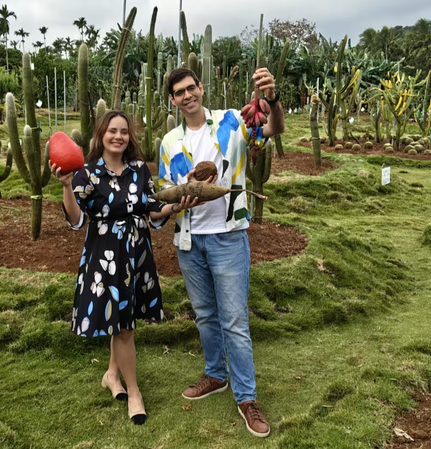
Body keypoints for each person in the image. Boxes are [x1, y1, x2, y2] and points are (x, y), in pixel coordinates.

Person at [157, 67, 285, 437]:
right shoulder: (168, 142)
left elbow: (274, 129)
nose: (187, 95)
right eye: (179, 92)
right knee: (205, 315)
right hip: (190, 240)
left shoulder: (232, 121)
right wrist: (177, 201)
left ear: (201, 88)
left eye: (191, 88)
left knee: (234, 321)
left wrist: (272, 98)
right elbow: (169, 194)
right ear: (173, 99)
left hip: (228, 236)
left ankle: (247, 397)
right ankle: (216, 375)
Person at [52, 110, 198, 425]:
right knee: (125, 327)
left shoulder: (138, 170)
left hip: (136, 253)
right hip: (104, 257)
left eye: (124, 132)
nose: (118, 136)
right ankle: (134, 392)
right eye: (112, 131)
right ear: (100, 135)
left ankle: (111, 375)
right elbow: (77, 221)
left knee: (122, 320)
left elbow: (152, 207)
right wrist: (66, 185)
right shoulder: (86, 173)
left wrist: (177, 205)